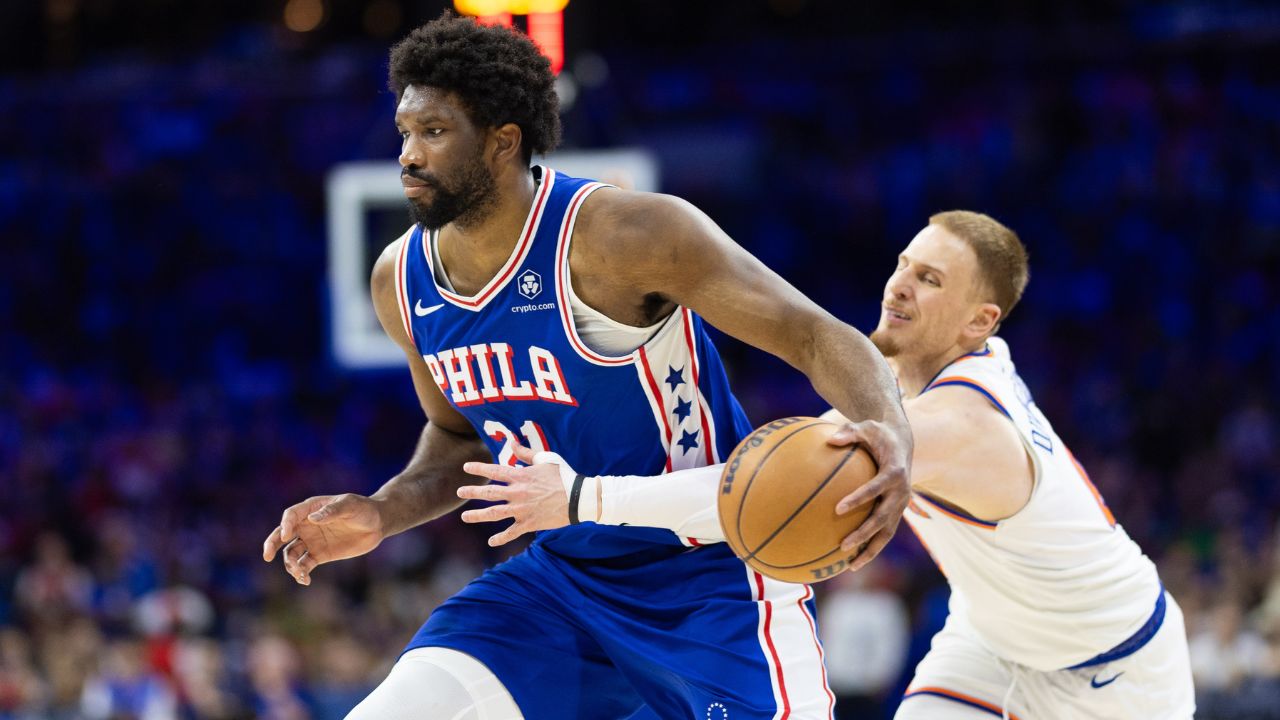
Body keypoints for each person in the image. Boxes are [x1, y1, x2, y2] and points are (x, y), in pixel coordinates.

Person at [261, 13, 913, 720]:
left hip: (709, 576)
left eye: (435, 133)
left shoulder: (625, 236)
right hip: (560, 587)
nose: (409, 156)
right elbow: (457, 439)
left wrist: (892, 437)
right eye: (405, 134)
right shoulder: (400, 280)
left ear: (502, 143)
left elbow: (816, 336)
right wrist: (383, 512)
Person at [472, 211, 1195, 719]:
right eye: (904, 264)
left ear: (981, 323)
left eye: (932, 280)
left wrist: (581, 499)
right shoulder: (902, 391)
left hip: (1119, 668)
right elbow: (749, 486)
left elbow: (737, 498)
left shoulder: (960, 424)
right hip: (991, 641)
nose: (901, 285)